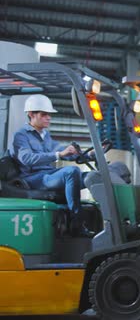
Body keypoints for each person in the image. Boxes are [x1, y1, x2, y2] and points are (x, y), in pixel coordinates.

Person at [12, 94, 94, 237]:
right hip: (33, 179)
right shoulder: (21, 135)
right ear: (31, 114)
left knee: (91, 177)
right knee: (71, 172)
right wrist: (58, 155)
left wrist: (88, 155)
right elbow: (26, 159)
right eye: (44, 114)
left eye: (49, 115)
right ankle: (76, 221)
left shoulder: (45, 135)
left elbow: (63, 151)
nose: (48, 118)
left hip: (48, 175)